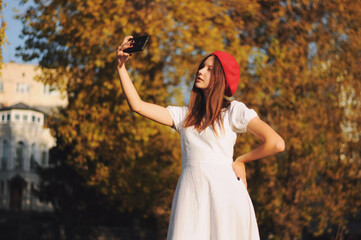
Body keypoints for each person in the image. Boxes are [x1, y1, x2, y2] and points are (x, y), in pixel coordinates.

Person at [116, 36, 285, 240]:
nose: (200, 71)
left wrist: (240, 160)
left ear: (221, 77)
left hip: (226, 198)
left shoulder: (234, 111)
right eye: (202, 67)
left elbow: (276, 143)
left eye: (210, 69)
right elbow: (137, 105)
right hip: (191, 197)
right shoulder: (184, 116)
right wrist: (121, 67)